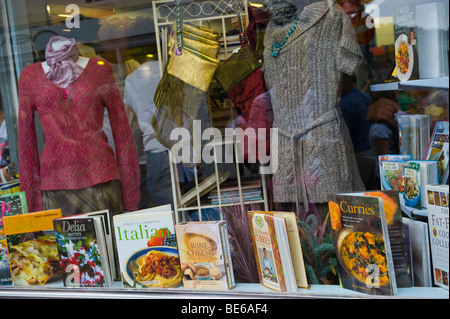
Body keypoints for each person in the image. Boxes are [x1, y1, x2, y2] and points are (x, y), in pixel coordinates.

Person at [97, 15, 151, 209]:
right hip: (112, 160)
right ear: (111, 41)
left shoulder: (134, 66)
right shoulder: (93, 72)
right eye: (127, 39)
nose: (132, 44)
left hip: (140, 156)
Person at [124, 60, 175, 208]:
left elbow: (132, 112)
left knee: (167, 209)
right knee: (189, 203)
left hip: (157, 150)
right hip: (182, 146)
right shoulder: (169, 67)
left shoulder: (132, 80)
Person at [339, 74, 377, 189]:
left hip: (357, 156)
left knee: (357, 196)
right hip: (371, 153)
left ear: (345, 83)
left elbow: (344, 136)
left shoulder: (344, 104)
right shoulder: (367, 99)